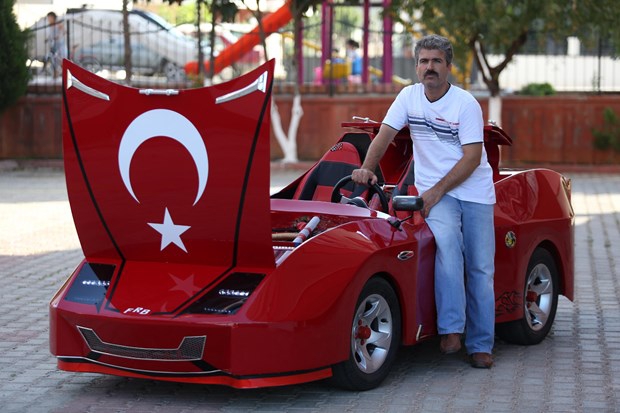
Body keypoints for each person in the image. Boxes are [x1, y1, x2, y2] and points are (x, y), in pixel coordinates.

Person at [351, 34, 496, 369]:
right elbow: (384, 136)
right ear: (416, 66)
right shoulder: (408, 96)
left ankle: (481, 344)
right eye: (424, 61)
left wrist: (436, 191)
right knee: (447, 247)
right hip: (436, 191)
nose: (429, 67)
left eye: (436, 61)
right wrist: (367, 168)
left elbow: (472, 158)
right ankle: (451, 330)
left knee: (480, 267)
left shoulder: (465, 104)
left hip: (473, 191)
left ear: (448, 67)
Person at [46, 11, 66, 76]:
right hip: (54, 44)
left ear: (53, 17)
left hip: (60, 44)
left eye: (49, 17)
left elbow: (64, 32)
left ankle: (61, 72)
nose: (48, 19)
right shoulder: (50, 26)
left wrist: (58, 36)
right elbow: (50, 35)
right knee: (53, 58)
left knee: (60, 58)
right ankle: (56, 72)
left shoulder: (58, 24)